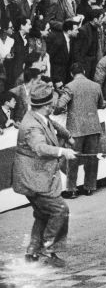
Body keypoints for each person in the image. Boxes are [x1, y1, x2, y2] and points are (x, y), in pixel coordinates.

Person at [11, 82, 77, 267]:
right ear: (47, 106)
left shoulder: (36, 115)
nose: (54, 105)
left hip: (34, 177)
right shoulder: (32, 126)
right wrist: (62, 152)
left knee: (42, 213)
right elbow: (39, 147)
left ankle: (32, 253)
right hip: (34, 179)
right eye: (52, 103)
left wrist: (66, 135)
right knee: (59, 210)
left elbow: (51, 123)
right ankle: (47, 251)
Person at [54, 63, 106, 198]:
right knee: (92, 158)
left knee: (72, 159)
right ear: (83, 71)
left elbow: (59, 106)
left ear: (72, 74)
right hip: (93, 127)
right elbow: (102, 104)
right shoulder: (96, 86)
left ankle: (72, 189)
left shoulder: (70, 87)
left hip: (76, 128)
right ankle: (89, 187)